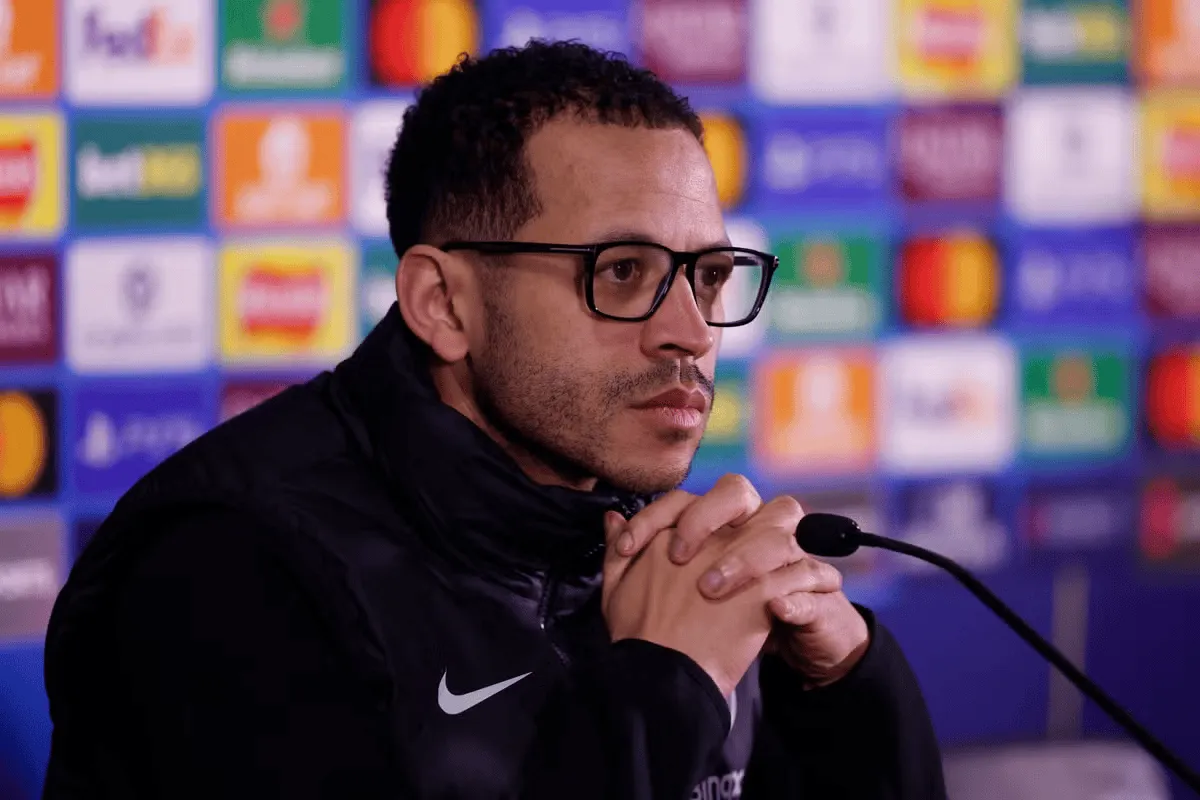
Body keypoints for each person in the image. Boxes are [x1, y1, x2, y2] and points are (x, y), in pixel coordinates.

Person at [42, 41, 946, 799]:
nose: (693, 332)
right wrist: (666, 693)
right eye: (622, 272)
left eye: (707, 276)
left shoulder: (661, 549)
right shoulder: (232, 569)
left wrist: (846, 691)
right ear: (443, 304)